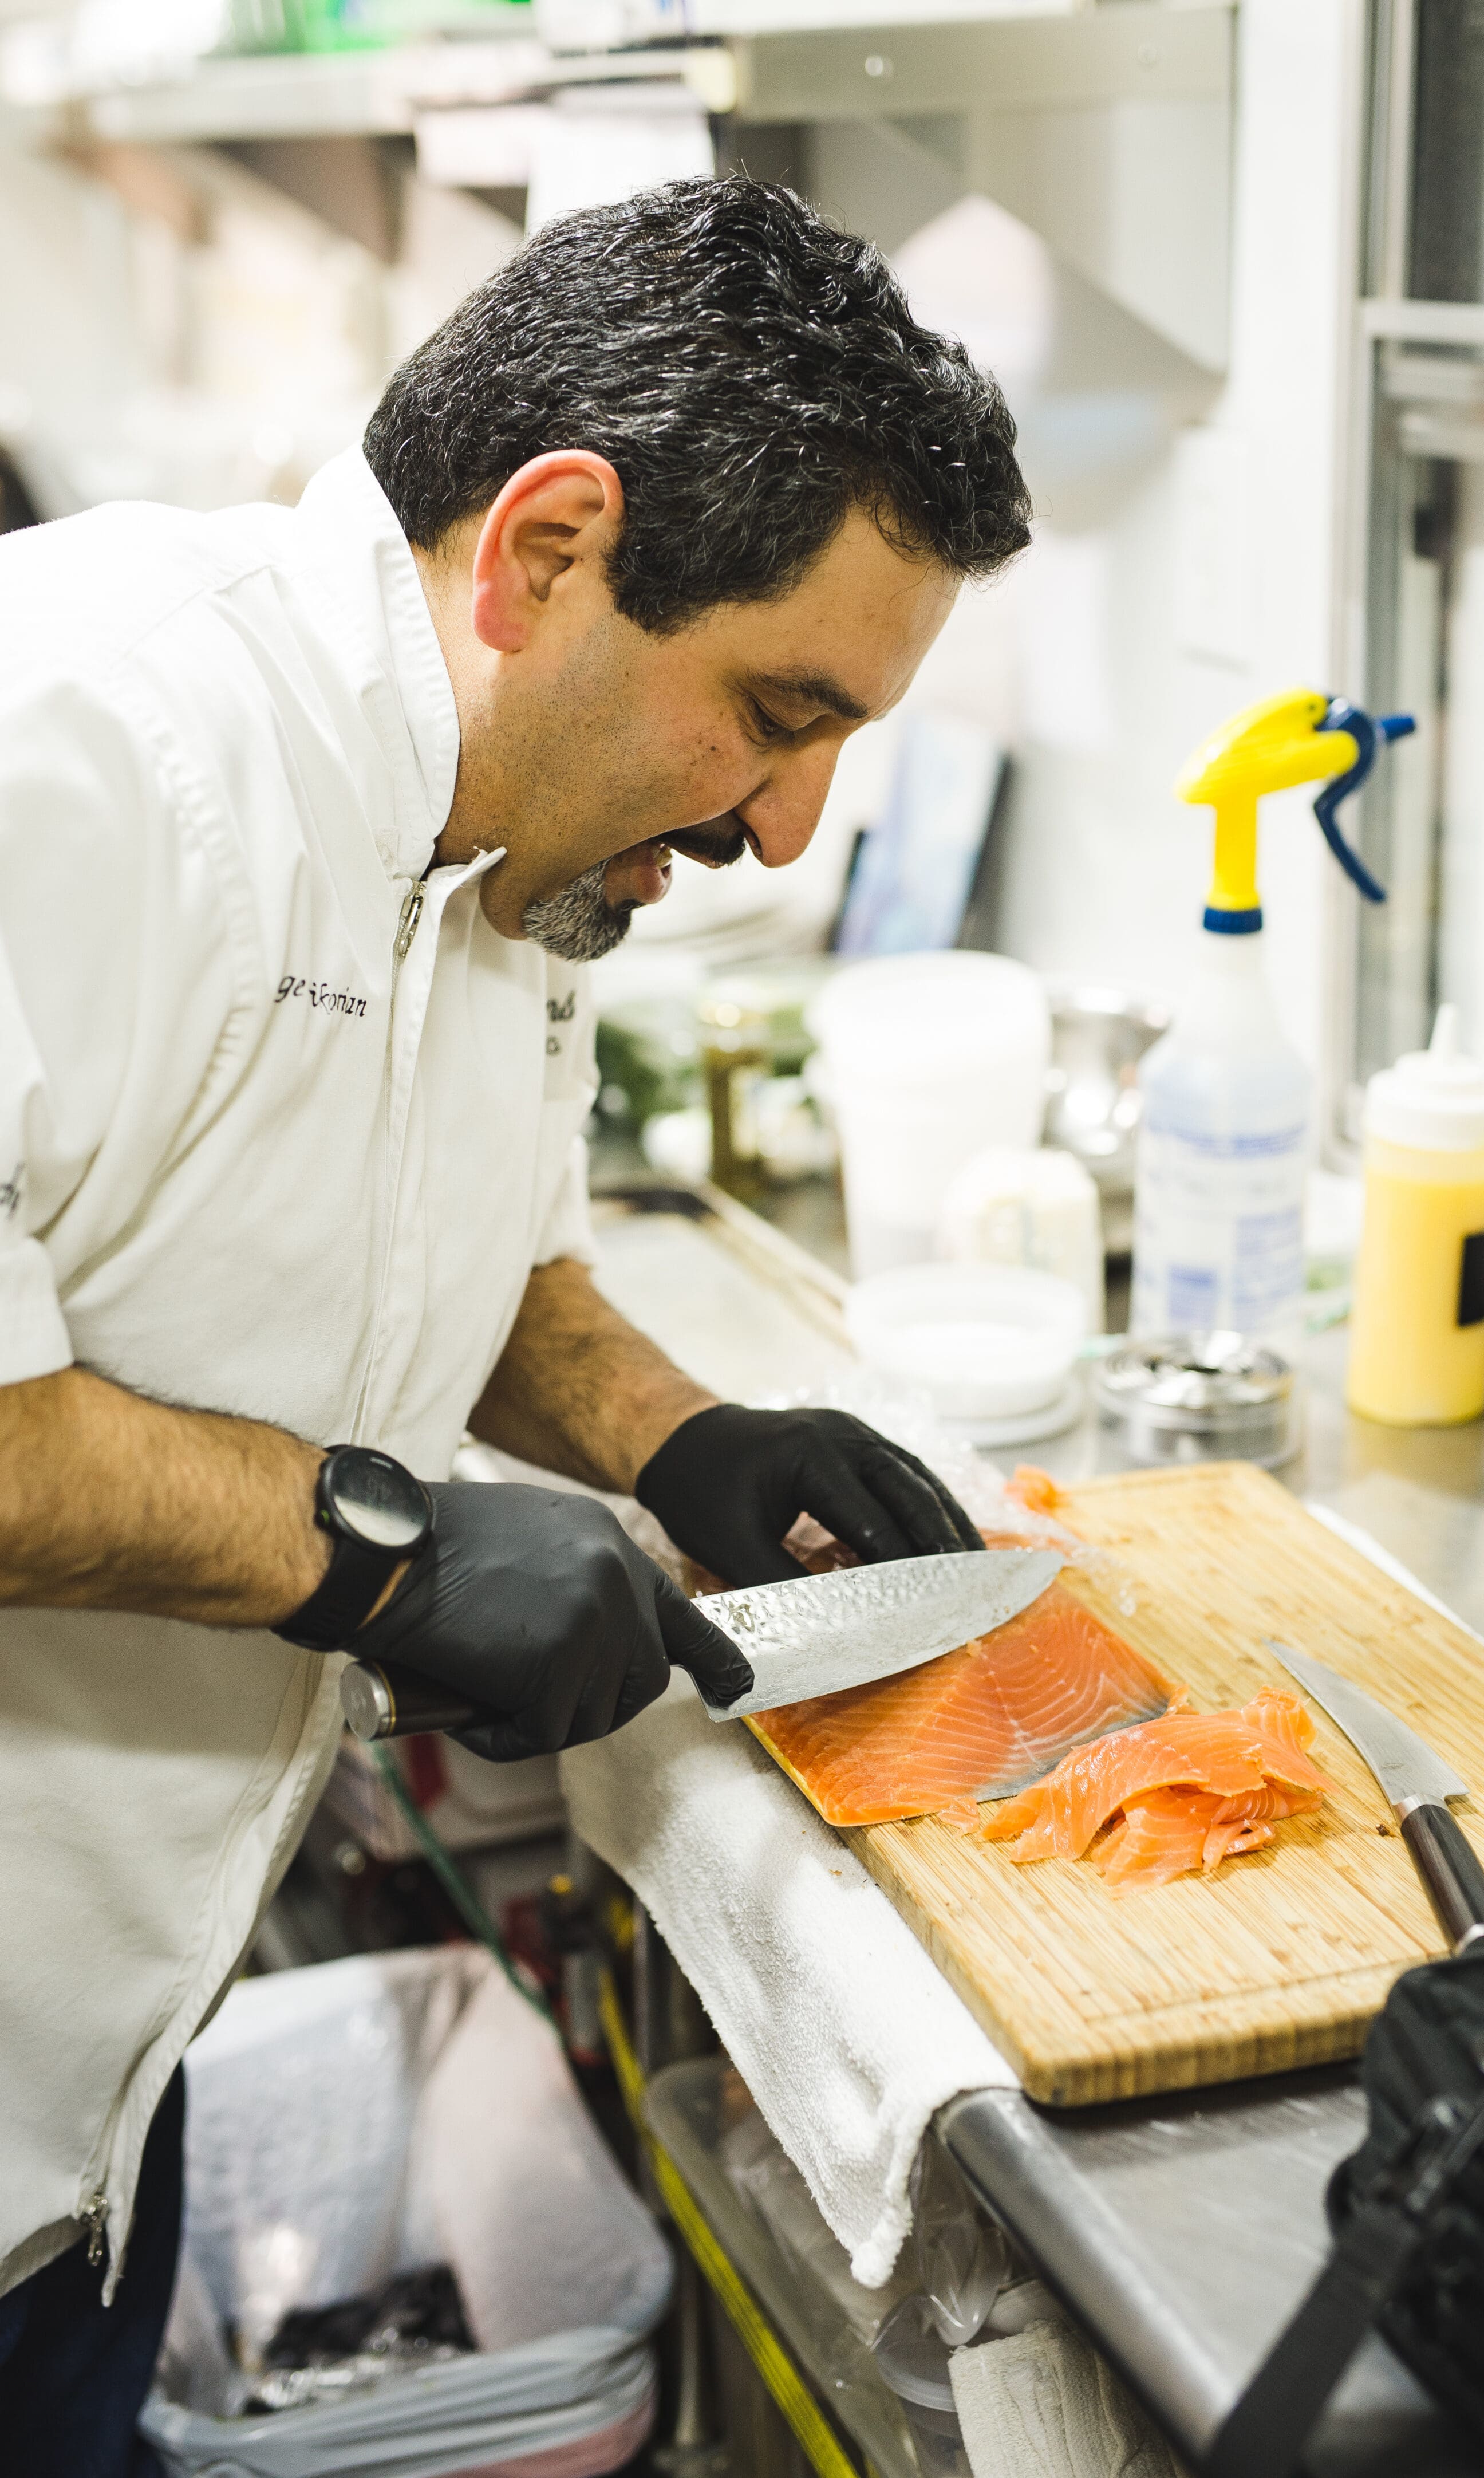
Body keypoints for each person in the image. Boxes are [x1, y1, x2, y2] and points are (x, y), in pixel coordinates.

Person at [0, 176, 1031, 2469]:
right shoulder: (72, 737)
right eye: (779, 712)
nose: (794, 824)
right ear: (545, 551)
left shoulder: (522, 844)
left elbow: (426, 1232)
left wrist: (673, 1433)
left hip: (88, 2093)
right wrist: (377, 1553)